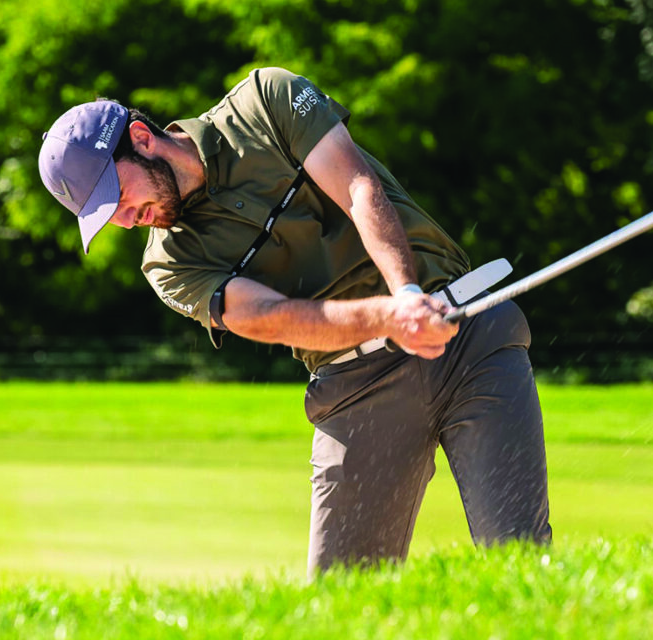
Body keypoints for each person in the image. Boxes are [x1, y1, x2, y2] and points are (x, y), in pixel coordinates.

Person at [38, 67, 551, 574]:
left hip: (466, 334)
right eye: (107, 216)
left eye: (118, 197)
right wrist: (388, 316)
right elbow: (266, 318)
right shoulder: (167, 262)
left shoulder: (265, 101)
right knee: (342, 604)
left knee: (519, 560)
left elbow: (356, 187)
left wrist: (407, 294)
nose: (126, 219)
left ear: (142, 139)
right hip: (355, 388)